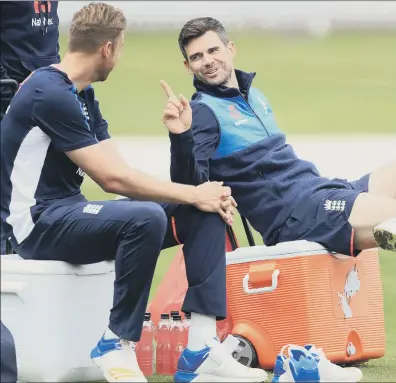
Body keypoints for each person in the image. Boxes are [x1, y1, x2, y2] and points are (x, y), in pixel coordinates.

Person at [0, 4, 267, 383]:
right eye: (121, 48)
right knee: (148, 216)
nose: (120, 57)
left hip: (71, 214)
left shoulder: (81, 93)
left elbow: (122, 170)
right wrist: (192, 193)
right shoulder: (48, 92)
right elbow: (114, 180)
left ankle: (201, 350)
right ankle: (117, 341)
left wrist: (187, 161)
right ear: (108, 48)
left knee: (205, 209)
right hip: (37, 225)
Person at [165, 17, 396, 260]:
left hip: (321, 192)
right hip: (296, 215)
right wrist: (180, 135)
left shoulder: (254, 95)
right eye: (197, 57)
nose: (208, 61)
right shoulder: (202, 112)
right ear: (187, 66)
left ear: (231, 49)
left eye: (213, 50)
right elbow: (189, 187)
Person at [1, 0, 60, 255]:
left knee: (44, 192)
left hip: (47, 91)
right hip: (11, 95)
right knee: (7, 195)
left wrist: (59, 72)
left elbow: (47, 36)